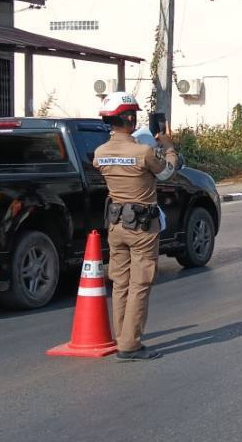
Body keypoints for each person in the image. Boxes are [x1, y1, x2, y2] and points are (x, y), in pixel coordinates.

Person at [93, 92, 178, 361]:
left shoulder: (100, 153)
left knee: (120, 283)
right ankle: (130, 345)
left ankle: (122, 336)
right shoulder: (143, 152)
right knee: (140, 282)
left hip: (116, 224)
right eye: (133, 115)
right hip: (141, 228)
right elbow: (167, 172)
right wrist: (169, 147)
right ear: (129, 118)